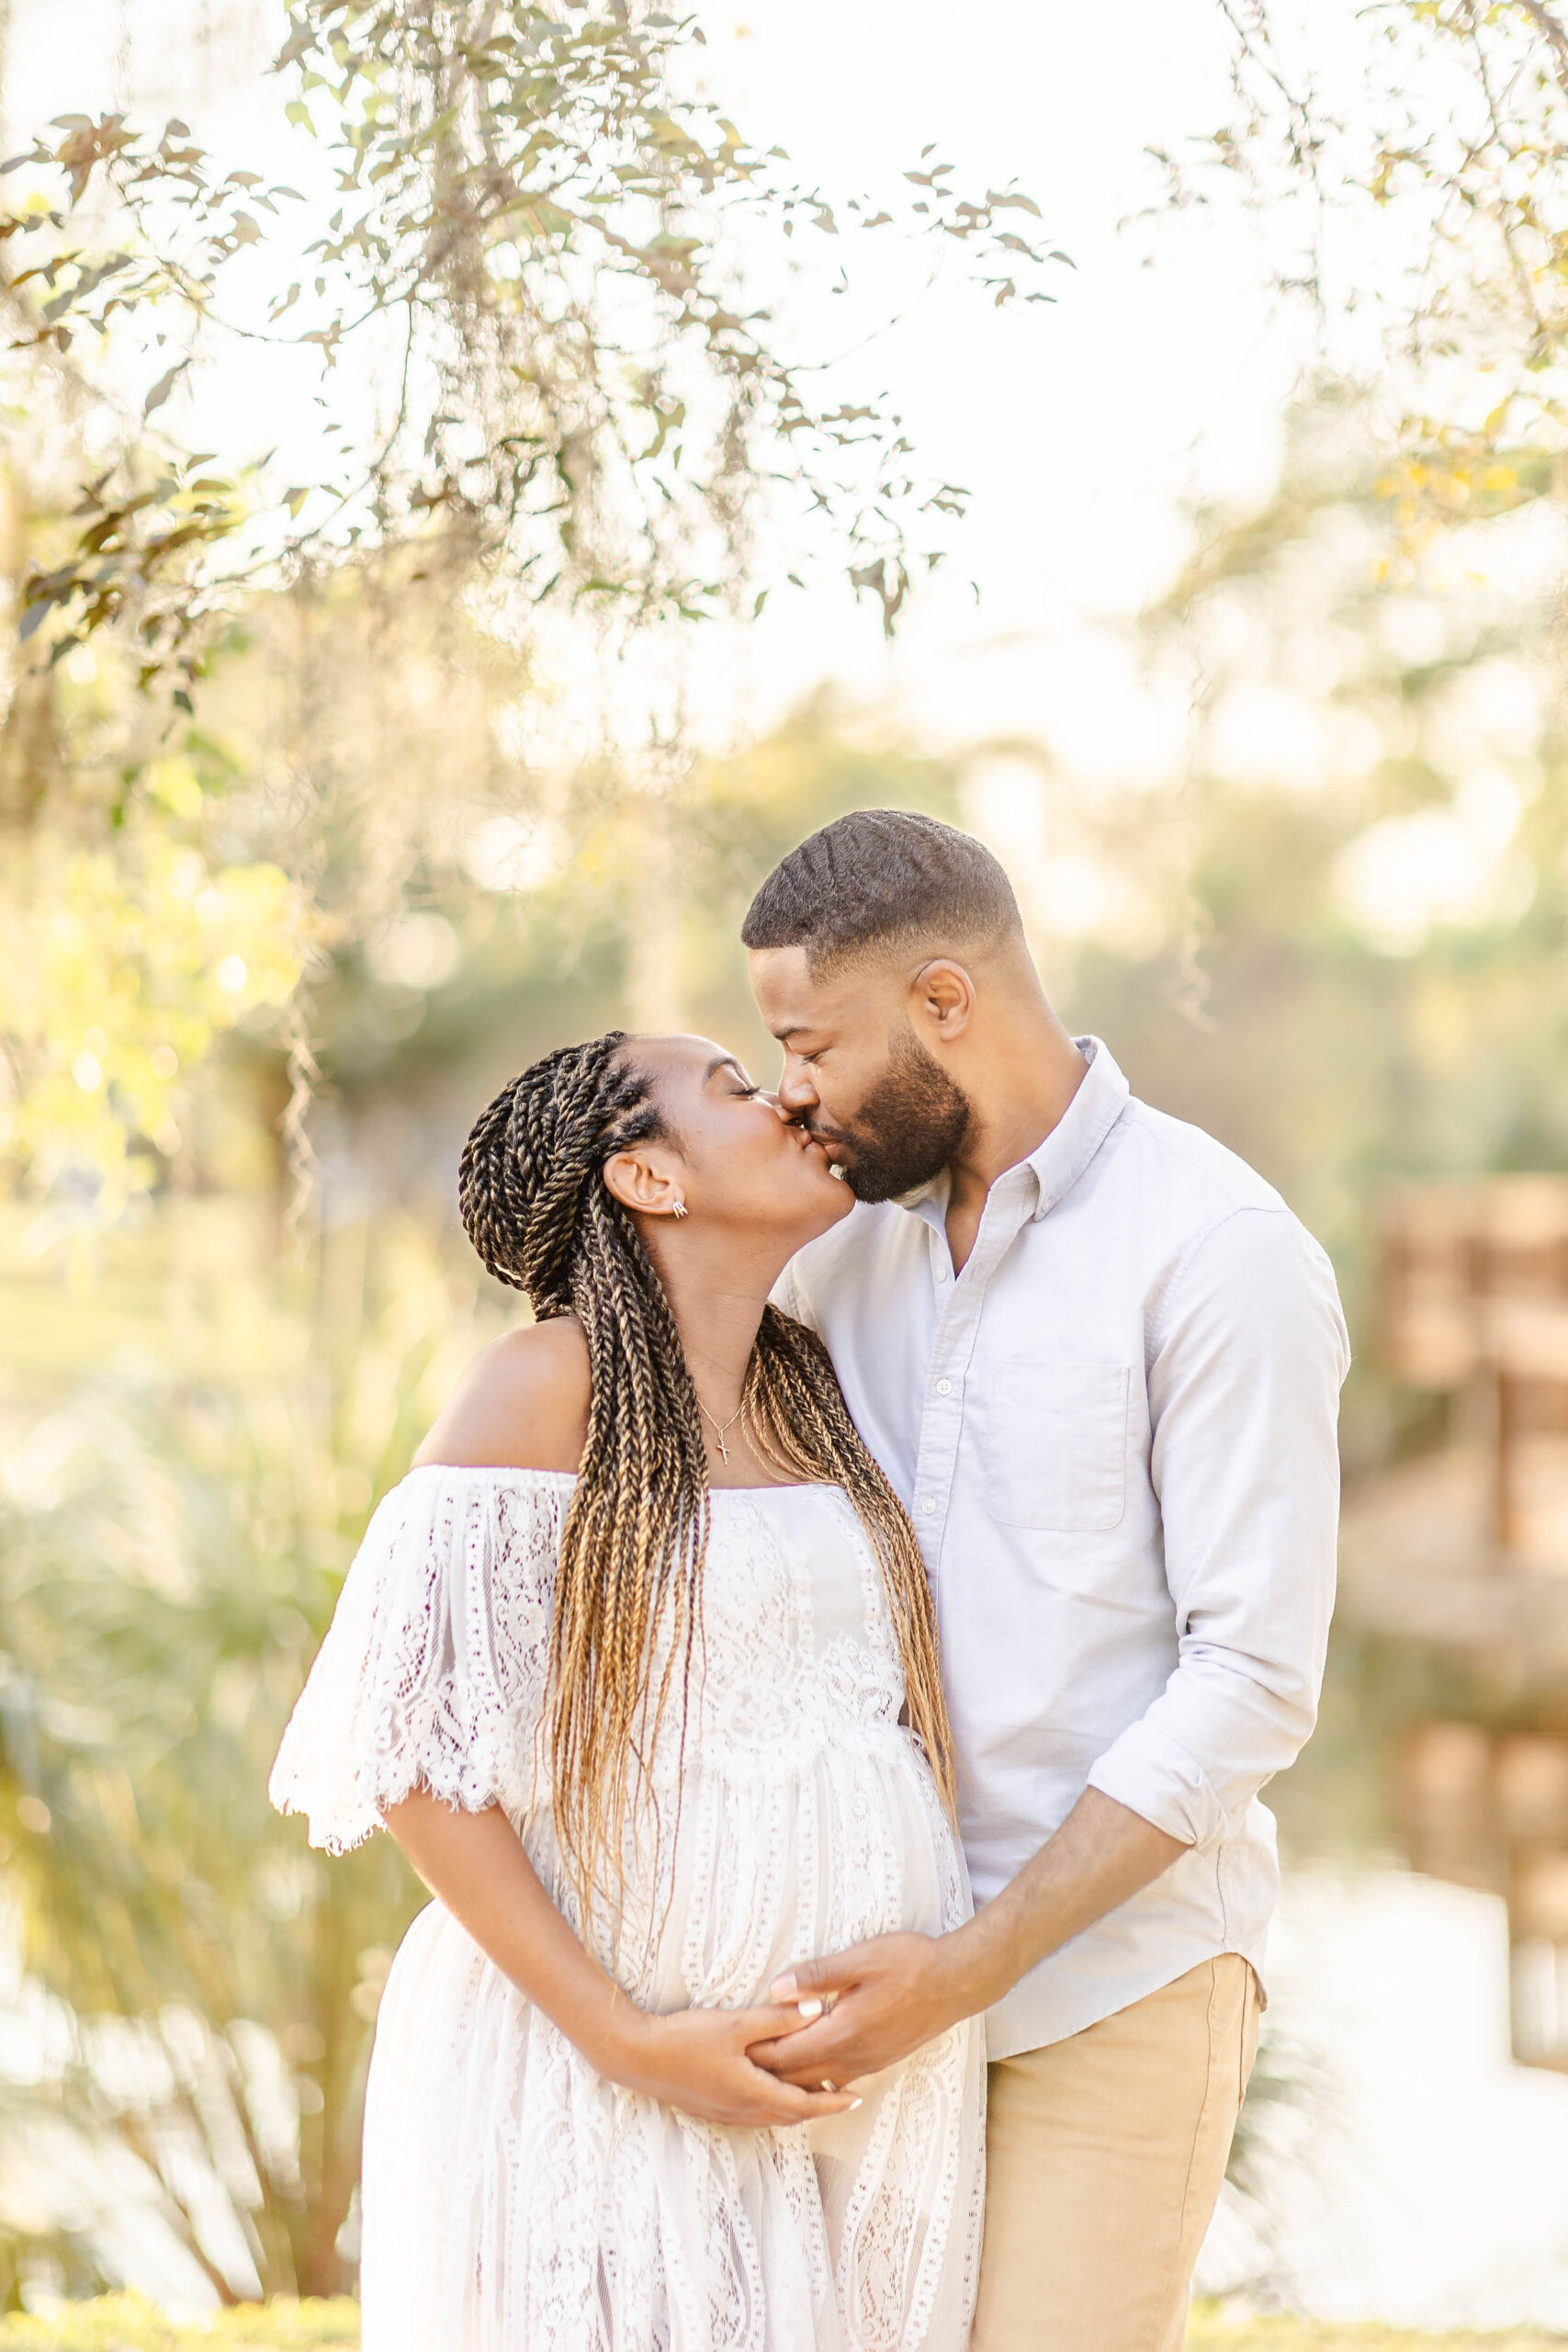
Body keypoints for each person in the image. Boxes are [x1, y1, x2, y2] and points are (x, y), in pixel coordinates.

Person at [268, 1029, 985, 2352]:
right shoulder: (545, 1387)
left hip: (834, 2104)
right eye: (728, 1088)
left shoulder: (811, 1385)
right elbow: (415, 1751)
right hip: (598, 2086)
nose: (779, 1098)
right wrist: (630, 2042)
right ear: (648, 1179)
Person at [739, 808, 1349, 2352]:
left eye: (809, 1043)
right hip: (865, 1977)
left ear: (945, 1001)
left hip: (1112, 1988)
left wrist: (967, 1972)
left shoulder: (1215, 1252)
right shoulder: (835, 1255)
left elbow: (1252, 1682)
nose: (792, 1093)